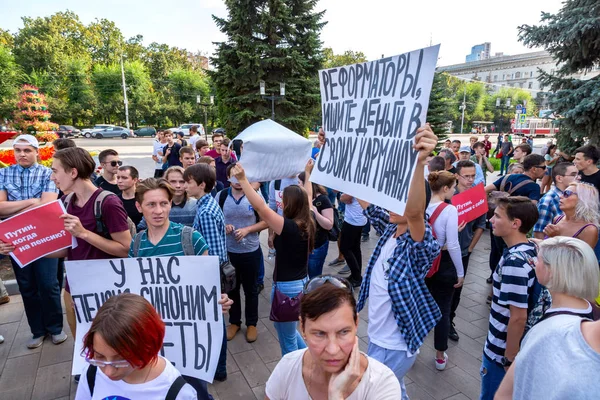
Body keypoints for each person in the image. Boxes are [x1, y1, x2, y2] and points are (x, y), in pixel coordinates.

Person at [355, 125, 441, 400]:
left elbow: (415, 212)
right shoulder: (391, 229)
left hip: (396, 344)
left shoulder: (421, 243)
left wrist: (419, 164)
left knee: (374, 393)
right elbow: (364, 199)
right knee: (394, 390)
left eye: (398, 200)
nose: (390, 204)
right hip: (378, 338)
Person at [131, 178, 232, 396]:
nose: (159, 211)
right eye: (151, 204)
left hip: (190, 341)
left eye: (164, 203)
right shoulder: (137, 243)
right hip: (154, 337)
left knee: (195, 391)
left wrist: (220, 300)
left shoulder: (189, 237)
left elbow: (209, 285)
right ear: (139, 207)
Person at [495, 237, 600, 400]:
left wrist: (510, 360)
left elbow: (506, 393)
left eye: (539, 259)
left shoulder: (551, 331)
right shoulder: (590, 309)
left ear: (551, 271)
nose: (534, 262)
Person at [49, 147, 132, 351]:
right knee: (83, 343)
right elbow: (65, 250)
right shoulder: (65, 202)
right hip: (74, 287)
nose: (52, 177)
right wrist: (20, 250)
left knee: (110, 344)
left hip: (105, 289)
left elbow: (125, 249)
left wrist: (84, 233)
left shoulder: (108, 202)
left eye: (55, 171)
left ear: (73, 172)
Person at [265, 277, 401, 399]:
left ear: (356, 324)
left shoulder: (382, 385)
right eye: (319, 333)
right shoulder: (287, 367)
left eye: (343, 332)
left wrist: (336, 395)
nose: (332, 350)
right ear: (302, 327)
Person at [231, 160, 315, 356]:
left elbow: (261, 207)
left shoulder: (288, 226)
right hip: (301, 283)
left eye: (283, 201)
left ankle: (295, 377)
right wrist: (308, 174)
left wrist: (243, 180)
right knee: (291, 333)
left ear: (289, 204)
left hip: (287, 289)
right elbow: (309, 195)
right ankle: (311, 359)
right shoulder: (307, 219)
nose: (281, 203)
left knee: (288, 343)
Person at [0, 134, 64, 349]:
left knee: (49, 284)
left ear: (37, 151)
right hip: (17, 240)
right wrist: (32, 201)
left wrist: (15, 205)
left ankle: (55, 328)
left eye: (27, 150)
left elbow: (47, 205)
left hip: (45, 238)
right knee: (27, 286)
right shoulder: (4, 173)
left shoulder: (48, 173)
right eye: (18, 150)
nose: (22, 154)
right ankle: (37, 331)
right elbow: (0, 207)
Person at [75, 293, 198, 400]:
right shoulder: (91, 374)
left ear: (146, 347)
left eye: (120, 360)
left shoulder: (178, 394)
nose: (108, 371)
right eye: (99, 356)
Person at [480, 196, 539, 400]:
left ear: (515, 224)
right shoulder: (531, 248)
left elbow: (518, 317)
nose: (491, 220)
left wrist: (509, 359)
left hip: (499, 351)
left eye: (497, 216)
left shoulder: (514, 262)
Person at [183, 163, 229, 380]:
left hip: (211, 274)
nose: (184, 185)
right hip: (212, 272)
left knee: (215, 320)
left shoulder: (207, 211)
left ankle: (219, 369)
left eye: (188, 182)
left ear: (201, 184)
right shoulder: (205, 204)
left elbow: (212, 253)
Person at [218, 164, 268, 343]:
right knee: (232, 288)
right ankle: (235, 322)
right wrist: (223, 227)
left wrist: (247, 229)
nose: (237, 181)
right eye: (233, 176)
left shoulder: (254, 196)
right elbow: (216, 221)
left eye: (240, 176)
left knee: (251, 288)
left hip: (250, 251)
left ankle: (252, 323)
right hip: (229, 252)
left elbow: (266, 221)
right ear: (228, 178)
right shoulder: (222, 196)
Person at [425, 171, 464, 370]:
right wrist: (461, 272)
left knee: (419, 306)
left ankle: (412, 347)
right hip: (443, 264)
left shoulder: (422, 205)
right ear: (445, 188)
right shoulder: (449, 210)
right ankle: (440, 356)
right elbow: (453, 244)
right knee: (443, 310)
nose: (456, 190)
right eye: (454, 186)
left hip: (422, 263)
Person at [449, 161, 486, 342]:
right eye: (467, 176)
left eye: (473, 175)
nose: (471, 180)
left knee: (457, 288)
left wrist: (470, 248)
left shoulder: (477, 197)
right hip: (442, 251)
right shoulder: (447, 195)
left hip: (463, 252)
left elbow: (480, 225)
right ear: (457, 176)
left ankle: (449, 321)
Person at [543, 182, 599, 249]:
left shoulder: (589, 229)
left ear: (582, 199)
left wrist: (556, 238)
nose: (561, 196)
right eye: (563, 193)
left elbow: (582, 258)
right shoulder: (557, 219)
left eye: (567, 193)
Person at [298, 172, 334, 278]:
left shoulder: (323, 200)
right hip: (303, 244)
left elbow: (329, 225)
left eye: (299, 182)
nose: (297, 185)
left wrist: (314, 211)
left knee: (314, 277)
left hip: (317, 246)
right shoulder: (301, 198)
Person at [533, 162, 579, 239]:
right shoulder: (549, 200)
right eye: (573, 175)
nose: (578, 177)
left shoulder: (574, 196)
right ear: (559, 178)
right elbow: (539, 233)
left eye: (578, 174)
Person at [339, 193, 367, 288]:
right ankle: (356, 275)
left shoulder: (357, 185)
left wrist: (343, 197)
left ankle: (356, 277)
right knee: (355, 248)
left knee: (345, 248)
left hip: (353, 220)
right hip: (358, 218)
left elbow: (344, 197)